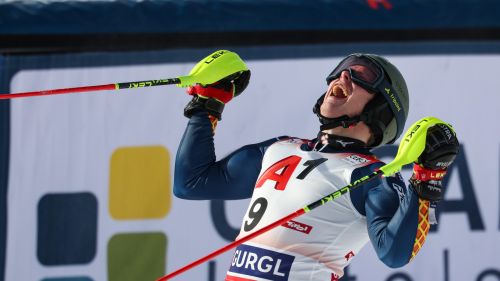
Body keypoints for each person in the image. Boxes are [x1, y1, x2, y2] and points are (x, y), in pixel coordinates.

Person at [174, 53, 459, 281]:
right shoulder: (279, 148)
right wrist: (207, 105)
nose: (343, 75)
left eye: (361, 76)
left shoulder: (372, 177)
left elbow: (395, 254)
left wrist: (428, 178)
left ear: (381, 108)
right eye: (341, 70)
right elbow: (191, 182)